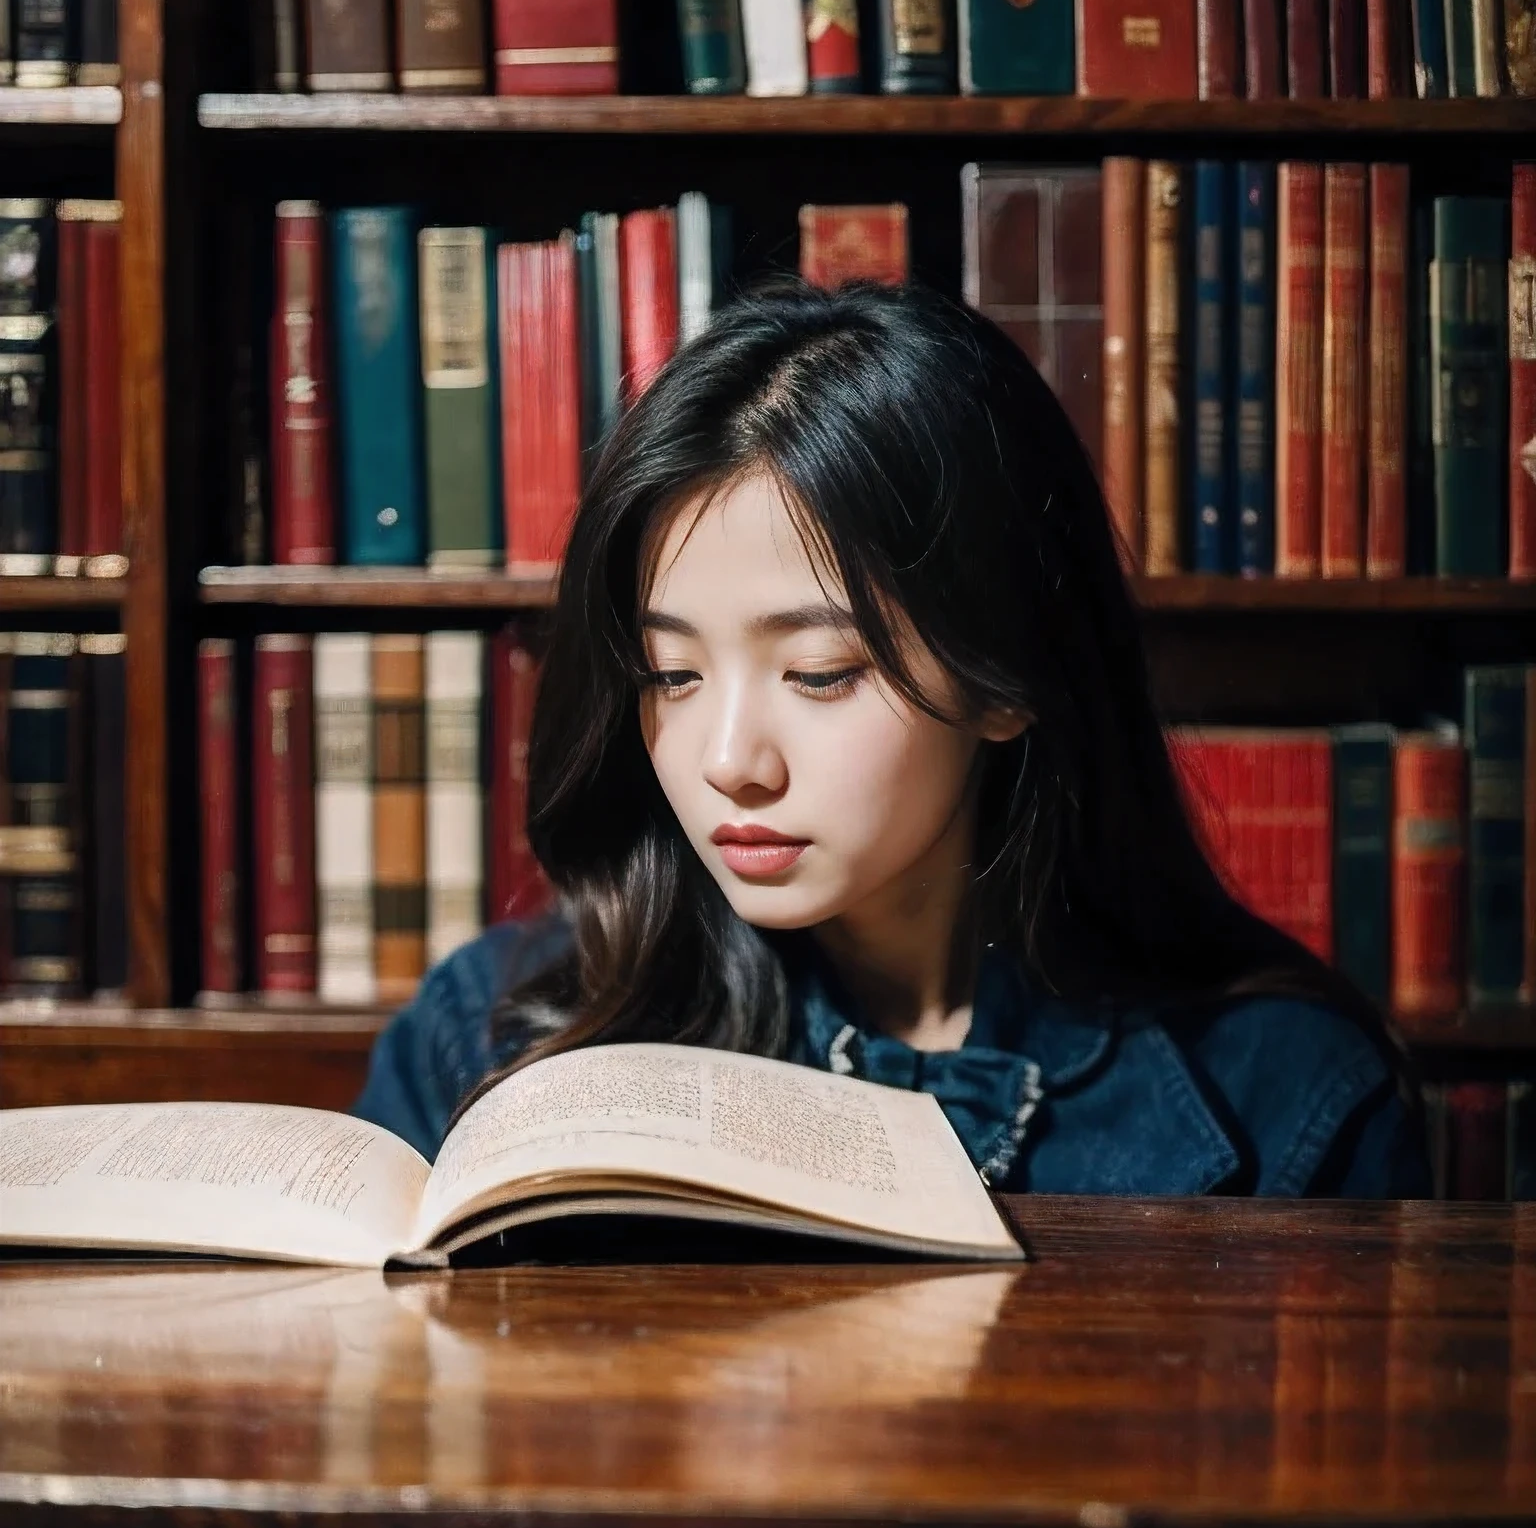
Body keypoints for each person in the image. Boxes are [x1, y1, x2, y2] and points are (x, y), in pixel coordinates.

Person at [357, 281, 1429, 1197]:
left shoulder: (1291, 1095)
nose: (729, 759)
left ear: (1005, 679)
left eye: (819, 674)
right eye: (671, 674)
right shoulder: (494, 1035)